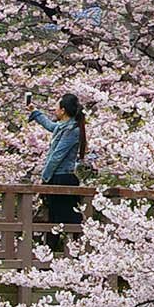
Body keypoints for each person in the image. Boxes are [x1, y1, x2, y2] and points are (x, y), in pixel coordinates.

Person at [28, 93, 87, 229]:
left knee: (63, 220)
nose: (55, 109)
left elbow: (57, 156)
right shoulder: (64, 127)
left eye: (56, 106)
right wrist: (34, 112)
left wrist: (45, 177)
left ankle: (66, 248)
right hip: (58, 176)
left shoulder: (72, 130)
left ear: (63, 110)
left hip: (62, 177)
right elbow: (50, 125)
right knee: (55, 219)